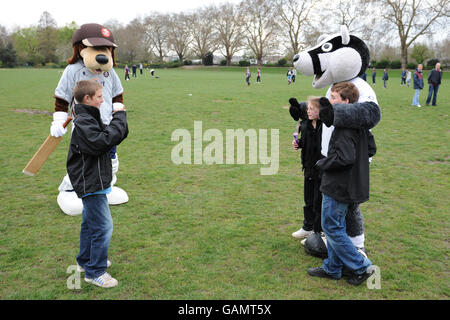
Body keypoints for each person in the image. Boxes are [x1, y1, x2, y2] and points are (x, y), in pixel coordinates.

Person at [307, 82, 374, 285]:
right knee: (335, 227)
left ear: (346, 101)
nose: (330, 101)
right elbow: (370, 148)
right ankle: (332, 268)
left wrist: (322, 163)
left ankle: (362, 267)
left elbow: (344, 157)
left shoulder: (344, 126)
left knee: (332, 227)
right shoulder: (360, 124)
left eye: (334, 98)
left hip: (339, 185)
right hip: (351, 184)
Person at [68, 80, 128, 288]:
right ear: (88, 99)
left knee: (89, 223)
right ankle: (95, 272)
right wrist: (119, 116)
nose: (103, 100)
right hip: (90, 181)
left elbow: (107, 139)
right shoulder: (84, 121)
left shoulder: (88, 117)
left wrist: (115, 120)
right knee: (103, 226)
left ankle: (86, 261)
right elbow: (103, 141)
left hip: (94, 178)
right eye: (100, 96)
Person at [291, 97, 323, 240]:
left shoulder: (326, 127)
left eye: (312, 109)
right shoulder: (306, 125)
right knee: (308, 199)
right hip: (308, 168)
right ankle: (307, 227)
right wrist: (298, 144)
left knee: (319, 201)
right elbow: (304, 142)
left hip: (322, 170)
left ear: (320, 111)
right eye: (307, 109)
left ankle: (318, 231)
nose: (308, 112)